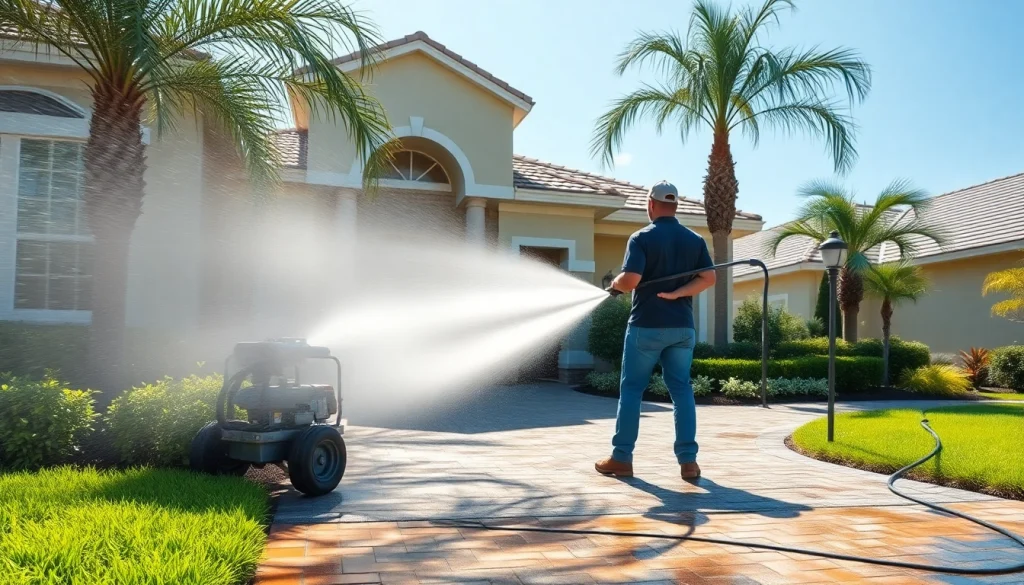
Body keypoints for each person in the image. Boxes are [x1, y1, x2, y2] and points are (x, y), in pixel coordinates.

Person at [595, 180, 717, 480]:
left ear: (650, 204)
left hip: (647, 326)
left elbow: (631, 279)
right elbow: (708, 278)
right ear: (674, 206)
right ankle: (689, 462)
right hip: (682, 328)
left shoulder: (641, 237)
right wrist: (678, 294)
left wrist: (615, 285)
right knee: (682, 391)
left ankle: (621, 458)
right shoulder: (694, 240)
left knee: (632, 390)